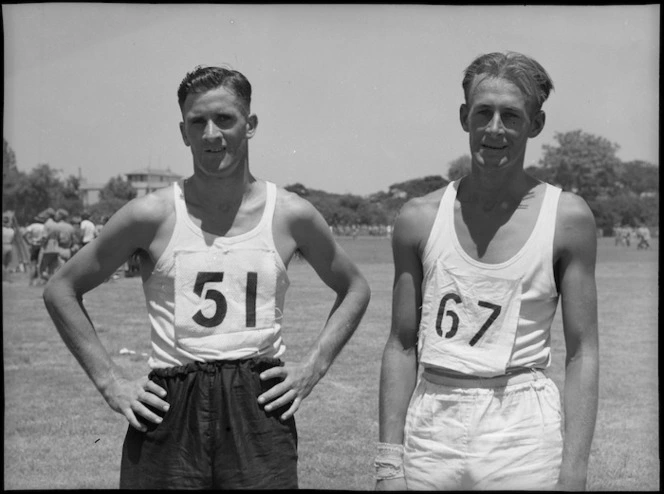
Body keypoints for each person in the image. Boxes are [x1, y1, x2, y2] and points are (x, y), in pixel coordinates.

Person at [43, 65, 371, 489]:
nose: (211, 134)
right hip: (170, 405)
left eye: (225, 119)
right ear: (183, 132)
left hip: (257, 404)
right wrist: (110, 382)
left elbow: (355, 288)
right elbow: (61, 288)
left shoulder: (290, 213)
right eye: (198, 122)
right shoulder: (151, 214)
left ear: (249, 124)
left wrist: (313, 368)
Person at [376, 51, 599, 491]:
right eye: (484, 113)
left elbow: (583, 353)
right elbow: (401, 346)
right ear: (465, 117)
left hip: (521, 430)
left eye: (512, 115)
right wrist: (388, 463)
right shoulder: (418, 218)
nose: (495, 129)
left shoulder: (567, 217)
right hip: (431, 427)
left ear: (535, 124)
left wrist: (574, 469)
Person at [23, 211, 48, 286]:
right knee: (40, 264)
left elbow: (24, 234)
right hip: (41, 246)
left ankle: (31, 281)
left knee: (33, 264)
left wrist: (28, 242)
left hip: (33, 245)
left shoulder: (33, 226)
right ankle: (39, 281)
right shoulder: (44, 227)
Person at [2, 213, 16, 281]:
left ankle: (3, 277)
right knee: (7, 264)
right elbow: (12, 240)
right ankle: (8, 278)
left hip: (3, 245)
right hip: (9, 246)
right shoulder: (12, 230)